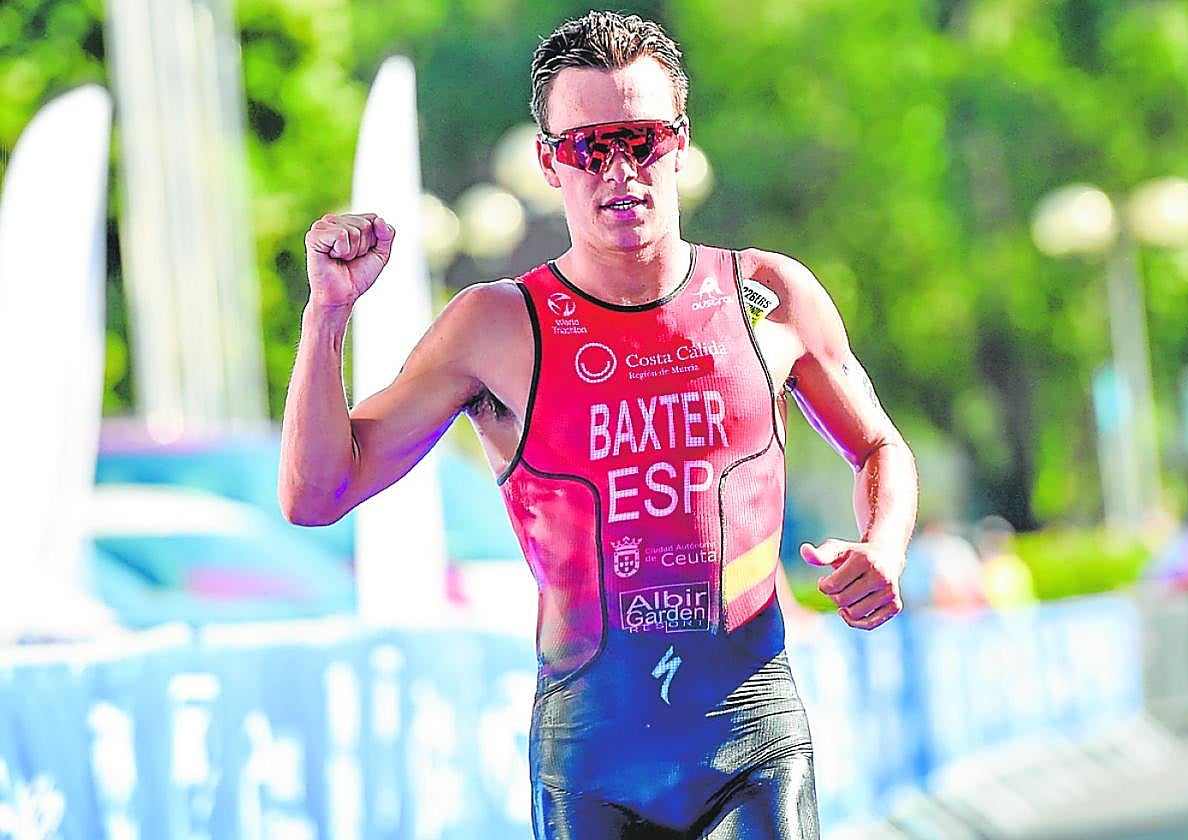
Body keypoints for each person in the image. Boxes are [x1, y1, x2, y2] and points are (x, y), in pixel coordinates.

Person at [279, 11, 918, 838]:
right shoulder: (496, 327)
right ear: (550, 161)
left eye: (642, 140)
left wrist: (887, 543)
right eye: (588, 148)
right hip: (592, 764)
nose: (620, 171)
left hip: (752, 739)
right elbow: (316, 493)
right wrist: (328, 314)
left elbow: (878, 445)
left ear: (680, 143)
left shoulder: (769, 296)